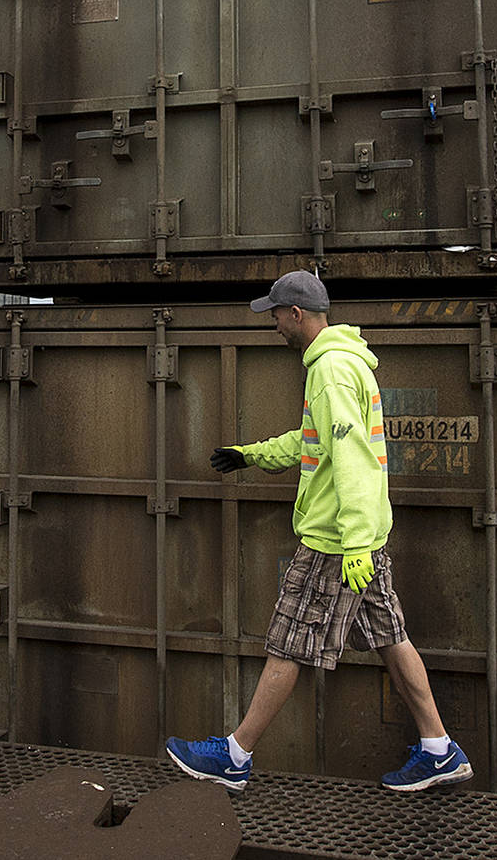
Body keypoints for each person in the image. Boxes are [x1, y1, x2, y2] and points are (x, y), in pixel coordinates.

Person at [164, 269, 473, 793]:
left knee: (288, 642)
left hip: (336, 541)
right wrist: (251, 455)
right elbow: (316, 442)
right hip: (362, 538)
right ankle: (439, 748)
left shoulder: (328, 371)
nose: (274, 325)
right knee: (391, 638)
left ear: (297, 314)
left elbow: (352, 459)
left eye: (277, 315)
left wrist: (351, 544)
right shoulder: (342, 363)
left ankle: (235, 756)